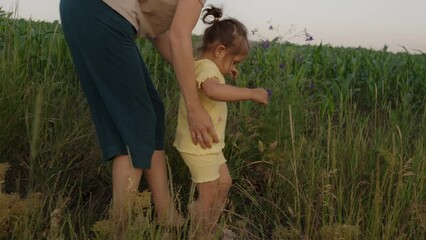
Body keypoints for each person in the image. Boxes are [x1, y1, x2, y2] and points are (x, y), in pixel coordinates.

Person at [59, 0, 219, 236]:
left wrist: (202, 74)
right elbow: (178, 37)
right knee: (137, 122)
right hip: (100, 12)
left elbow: (162, 35)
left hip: (90, 11)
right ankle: (119, 228)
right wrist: (194, 107)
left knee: (152, 110)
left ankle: (167, 216)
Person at [173, 6, 269, 239]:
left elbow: (215, 83)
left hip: (209, 145)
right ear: (220, 50)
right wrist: (250, 93)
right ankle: (200, 233)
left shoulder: (209, 67)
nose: (233, 67)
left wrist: (227, 68)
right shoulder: (206, 68)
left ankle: (210, 226)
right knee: (209, 191)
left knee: (224, 183)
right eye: (234, 61)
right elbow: (213, 90)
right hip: (199, 145)